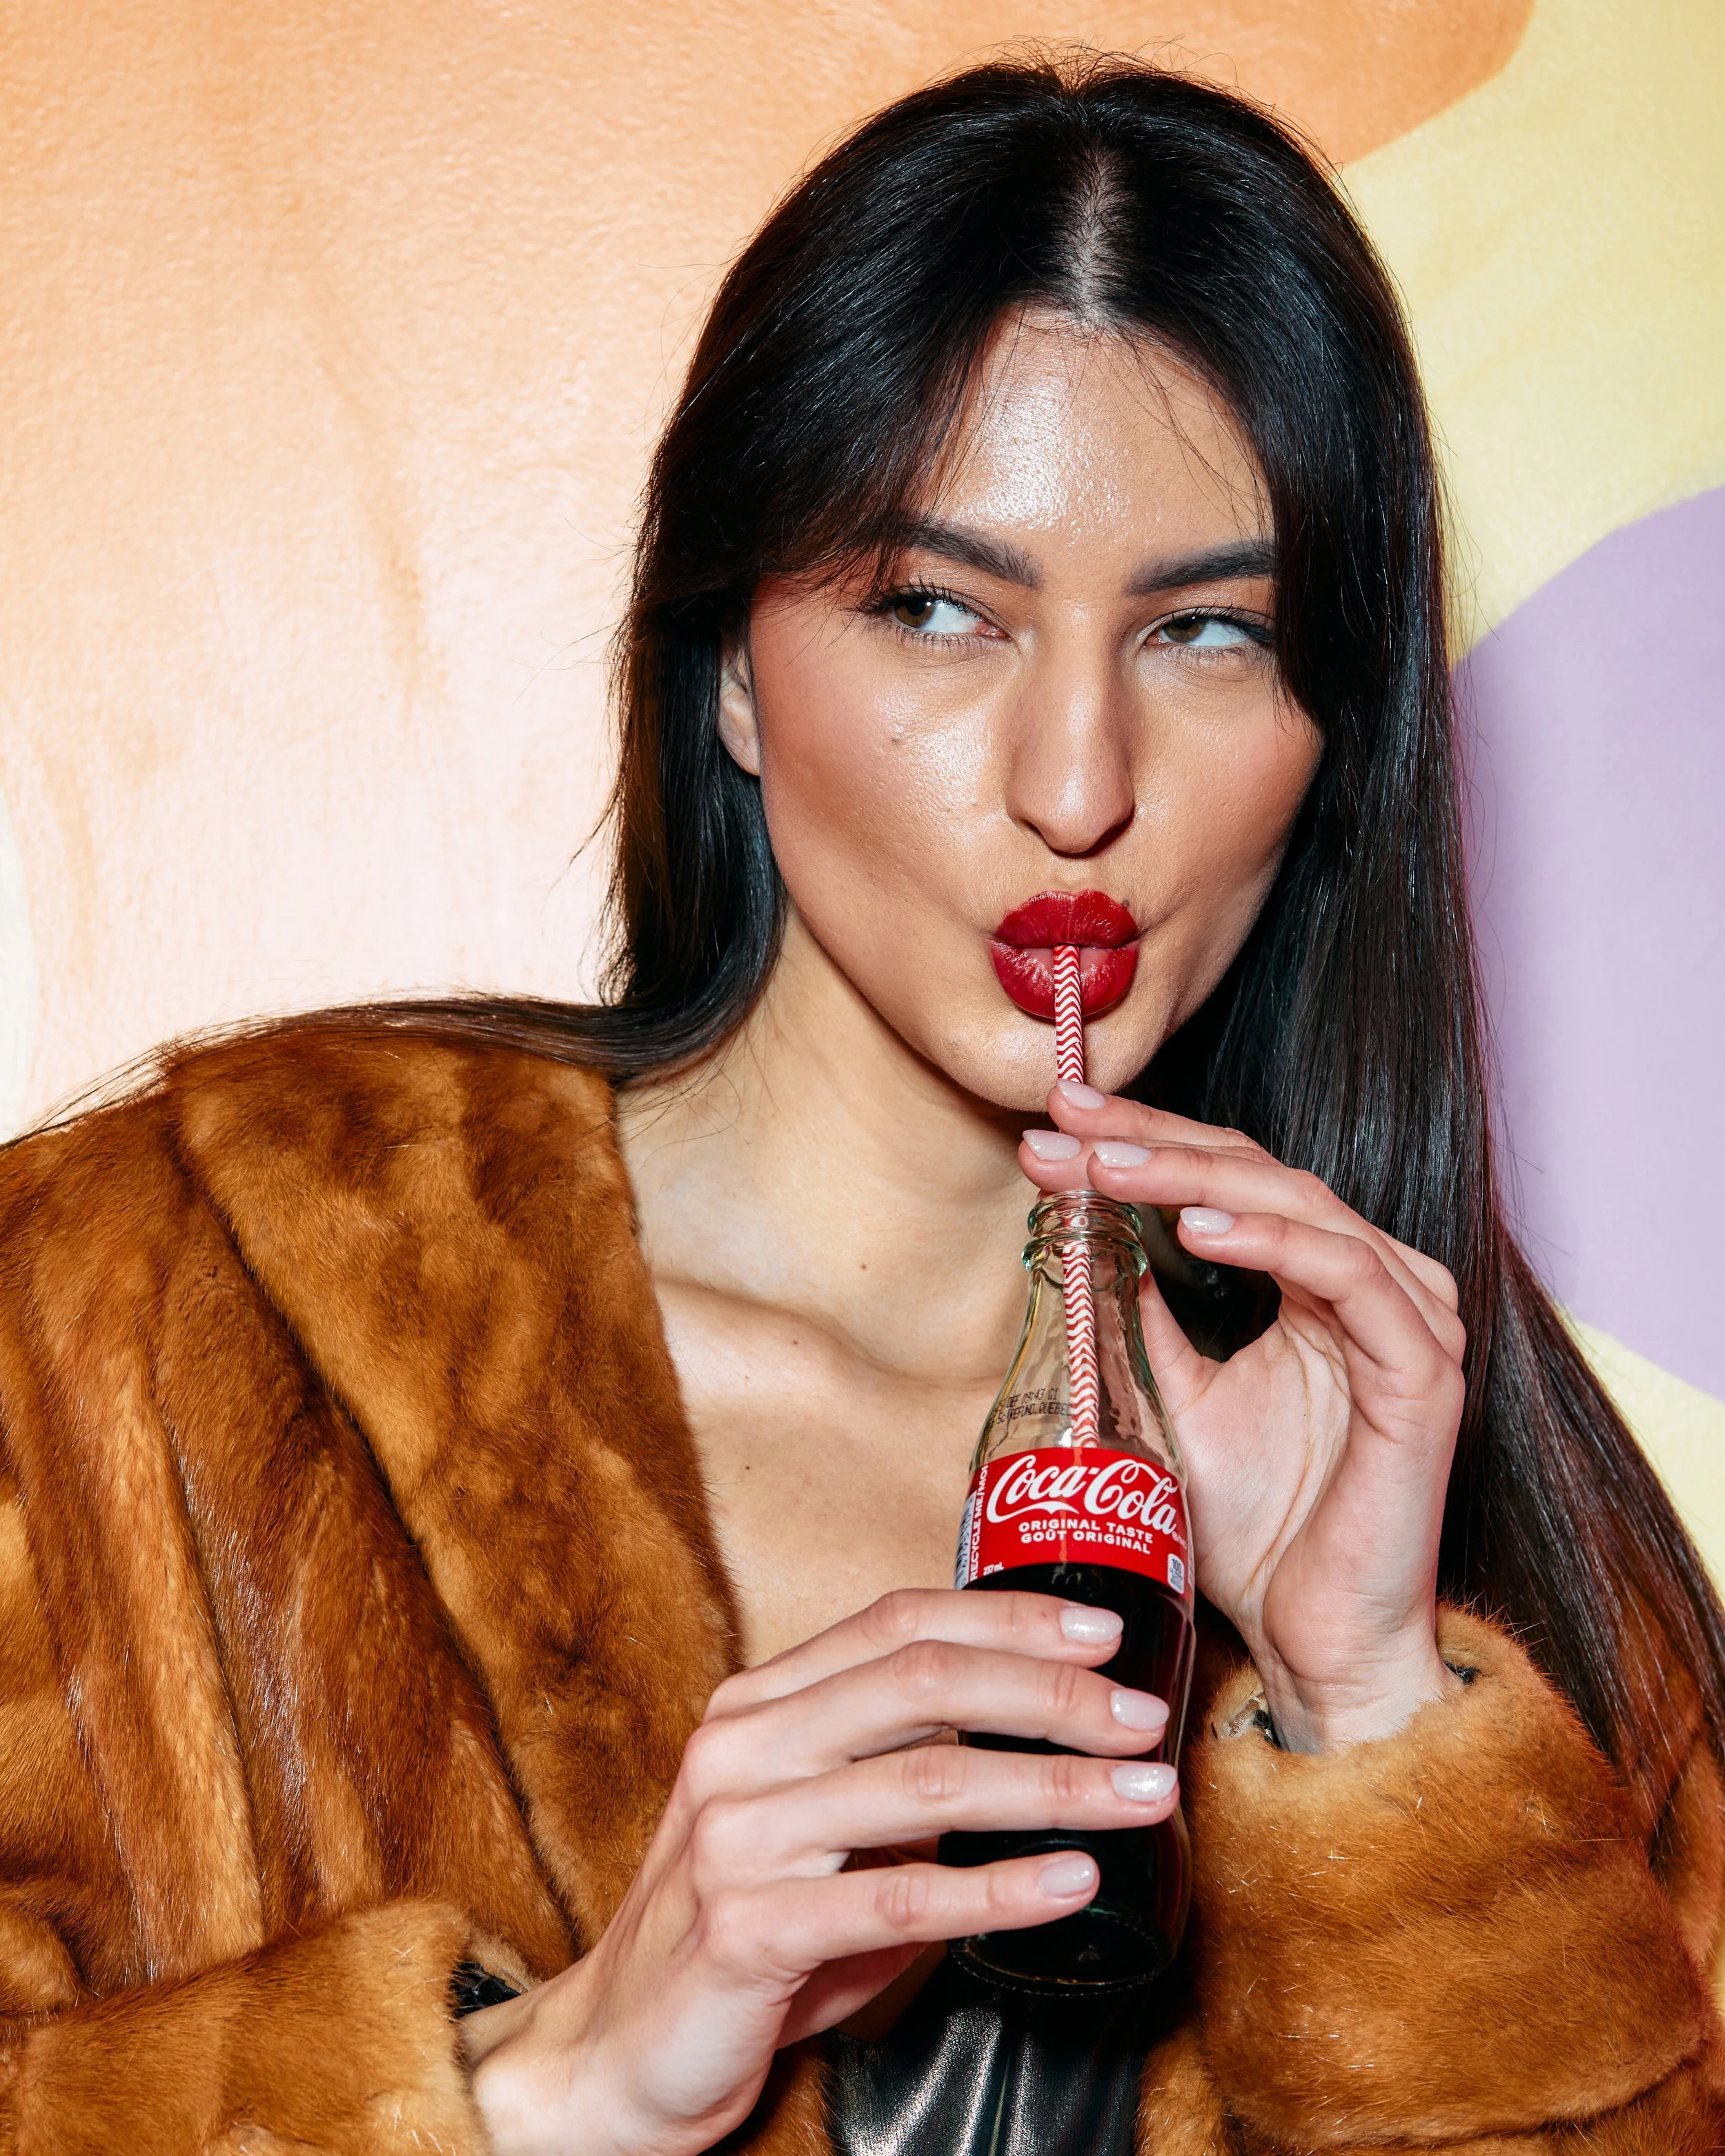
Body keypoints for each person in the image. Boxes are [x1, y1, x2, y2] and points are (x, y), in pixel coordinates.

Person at [0, 52, 1720, 2156]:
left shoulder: (1497, 1533)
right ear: (729, 660)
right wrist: (539, 2090)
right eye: (937, 608)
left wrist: (1371, 1724)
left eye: (1202, 632)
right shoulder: (153, 1329)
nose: (1073, 783)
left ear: (1328, 732)